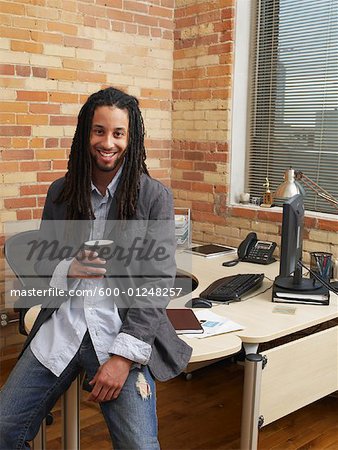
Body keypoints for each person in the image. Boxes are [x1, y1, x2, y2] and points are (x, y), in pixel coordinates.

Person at [0, 87, 192, 450]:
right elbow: (42, 261)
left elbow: (156, 282)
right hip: (65, 325)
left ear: (130, 139)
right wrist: (68, 267)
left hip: (120, 333)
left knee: (139, 446)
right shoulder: (61, 192)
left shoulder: (153, 197)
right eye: (99, 131)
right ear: (86, 134)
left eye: (118, 133)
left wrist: (121, 359)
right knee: (3, 428)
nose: (108, 142)